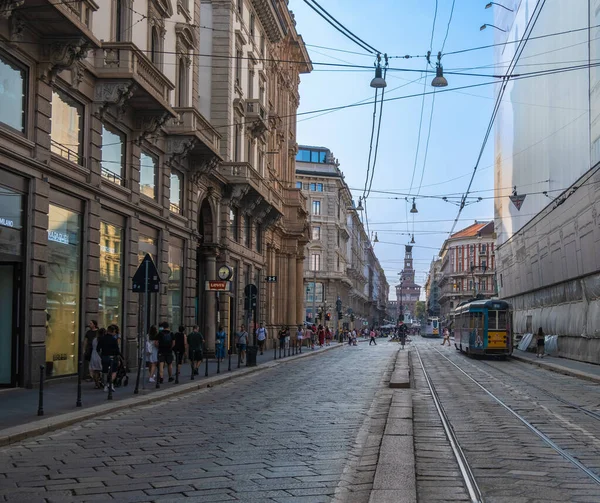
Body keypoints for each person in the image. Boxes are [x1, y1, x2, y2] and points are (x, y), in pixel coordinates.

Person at [97, 324, 120, 392]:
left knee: (105, 371)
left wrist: (101, 355)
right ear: (113, 331)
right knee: (114, 371)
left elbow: (98, 349)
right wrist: (118, 358)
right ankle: (110, 383)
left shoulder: (102, 339)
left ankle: (105, 385)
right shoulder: (114, 339)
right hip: (113, 357)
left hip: (104, 356)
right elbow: (117, 350)